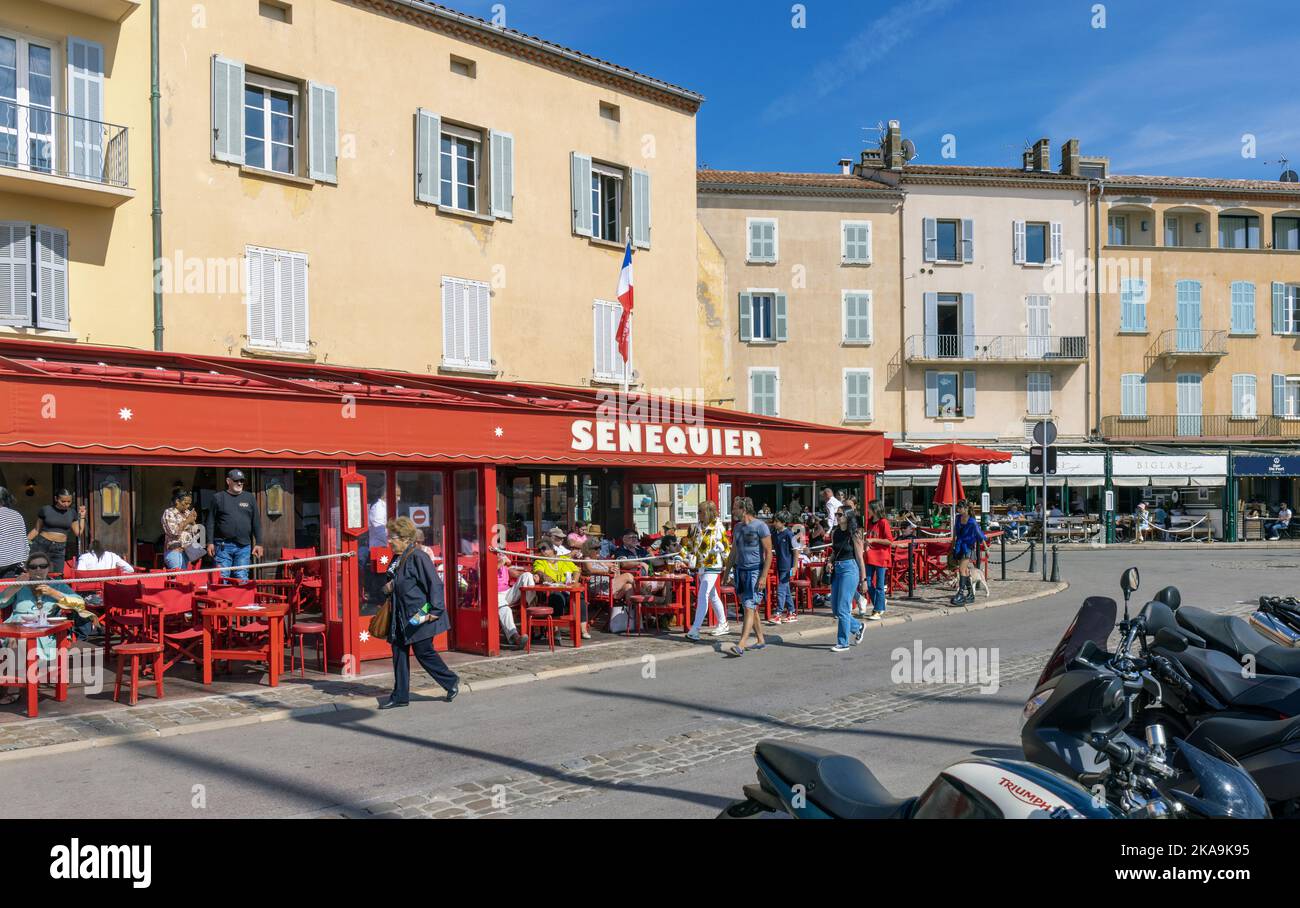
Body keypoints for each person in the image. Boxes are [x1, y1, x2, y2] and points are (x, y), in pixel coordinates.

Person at [378, 517, 458, 709]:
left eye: (393, 537)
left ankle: (450, 680)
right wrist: (389, 587)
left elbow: (435, 584)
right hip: (399, 613)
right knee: (398, 652)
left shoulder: (418, 556)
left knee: (423, 651)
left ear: (405, 538)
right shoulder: (398, 557)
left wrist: (436, 611)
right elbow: (399, 580)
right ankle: (400, 696)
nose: (389, 541)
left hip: (418, 613)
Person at [0, 554, 90, 686]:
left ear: (49, 568)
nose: (38, 570)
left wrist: (53, 593)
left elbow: (80, 603)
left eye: (42, 566)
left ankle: (25, 680)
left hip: (44, 629)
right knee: (18, 640)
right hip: (17, 626)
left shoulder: (56, 585)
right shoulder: (20, 584)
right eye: (33, 566)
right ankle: (19, 683)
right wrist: (15, 586)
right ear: (28, 569)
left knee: (27, 643)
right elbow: (1, 602)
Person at [724, 498, 771, 656]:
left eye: (735, 508)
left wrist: (763, 576)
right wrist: (726, 572)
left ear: (743, 509)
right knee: (749, 606)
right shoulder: (737, 528)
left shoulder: (761, 526)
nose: (732, 512)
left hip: (755, 571)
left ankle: (741, 644)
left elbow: (768, 554)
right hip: (741, 572)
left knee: (749, 607)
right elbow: (733, 552)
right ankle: (760, 640)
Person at [682, 499, 731, 639]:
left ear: (708, 513)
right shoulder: (698, 527)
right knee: (712, 595)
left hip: (713, 564)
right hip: (701, 566)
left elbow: (726, 547)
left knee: (703, 594)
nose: (698, 514)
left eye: (700, 512)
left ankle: (695, 628)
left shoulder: (718, 527)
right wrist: (682, 555)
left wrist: (728, 567)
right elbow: (691, 545)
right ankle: (723, 623)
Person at [205, 469, 263, 581]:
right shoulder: (218, 497)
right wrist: (209, 542)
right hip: (222, 545)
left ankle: (242, 599)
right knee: (222, 577)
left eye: (241, 481)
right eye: (236, 480)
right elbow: (210, 521)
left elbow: (256, 521)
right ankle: (222, 599)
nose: (240, 483)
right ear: (228, 481)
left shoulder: (250, 497)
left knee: (242, 577)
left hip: (244, 546)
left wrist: (259, 543)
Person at [826, 510, 868, 653]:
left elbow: (860, 559)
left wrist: (864, 580)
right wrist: (830, 561)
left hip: (850, 569)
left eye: (840, 515)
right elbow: (834, 551)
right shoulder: (836, 533)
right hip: (837, 569)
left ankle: (843, 643)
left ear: (848, 517)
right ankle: (858, 627)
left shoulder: (854, 534)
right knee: (836, 609)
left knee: (843, 608)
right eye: (836, 515)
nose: (837, 517)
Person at [532, 538, 589, 638]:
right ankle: (556, 630)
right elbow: (539, 573)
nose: (542, 551)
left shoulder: (563, 559)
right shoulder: (539, 561)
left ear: (552, 548)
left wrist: (574, 582)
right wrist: (548, 579)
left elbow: (576, 570)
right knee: (557, 597)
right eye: (540, 549)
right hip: (550, 591)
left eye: (544, 548)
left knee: (580, 597)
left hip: (567, 589)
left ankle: (583, 630)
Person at [27, 488, 85, 574]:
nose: (66, 504)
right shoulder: (46, 510)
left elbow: (78, 533)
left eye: (69, 501)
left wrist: (82, 517)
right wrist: (25, 542)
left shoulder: (72, 513)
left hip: (59, 547)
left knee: (58, 575)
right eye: (63, 501)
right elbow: (36, 529)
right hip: (42, 544)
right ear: (56, 499)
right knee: (36, 573)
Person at [950, 501, 986, 606]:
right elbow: (955, 533)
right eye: (957, 508)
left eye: (959, 508)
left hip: (968, 547)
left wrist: (986, 547)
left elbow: (979, 534)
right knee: (965, 570)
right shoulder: (957, 518)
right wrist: (952, 545)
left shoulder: (972, 521)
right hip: (959, 545)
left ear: (965, 508)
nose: (958, 510)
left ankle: (960, 594)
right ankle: (970, 594)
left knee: (961, 569)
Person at [863, 501, 894, 620]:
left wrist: (873, 540)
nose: (867, 510)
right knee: (868, 583)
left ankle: (878, 609)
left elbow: (889, 541)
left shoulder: (883, 522)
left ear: (875, 509)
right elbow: (869, 538)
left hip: (881, 557)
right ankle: (880, 603)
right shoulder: (870, 522)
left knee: (880, 585)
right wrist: (867, 543)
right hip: (870, 556)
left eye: (869, 508)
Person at [766, 510, 797, 625]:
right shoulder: (775, 533)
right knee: (786, 589)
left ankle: (778, 613)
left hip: (787, 567)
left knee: (781, 589)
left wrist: (794, 567)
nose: (775, 523)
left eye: (777, 521)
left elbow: (796, 551)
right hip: (780, 565)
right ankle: (792, 612)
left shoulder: (789, 534)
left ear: (784, 522)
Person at [161, 489, 201, 572]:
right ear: (177, 501)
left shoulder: (187, 513)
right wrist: (187, 521)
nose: (188, 506)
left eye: (189, 504)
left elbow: (196, 533)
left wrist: (193, 522)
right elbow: (173, 532)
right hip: (175, 552)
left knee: (185, 579)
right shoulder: (169, 512)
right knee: (178, 577)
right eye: (186, 503)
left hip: (188, 552)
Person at [0, 486, 28, 580]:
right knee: (7, 591)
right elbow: (23, 540)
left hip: (2, 560)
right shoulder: (17, 515)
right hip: (14, 562)